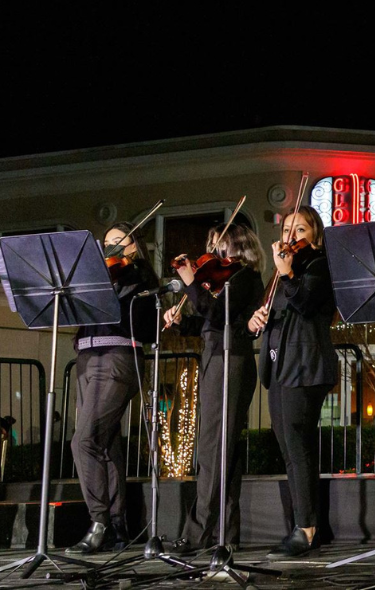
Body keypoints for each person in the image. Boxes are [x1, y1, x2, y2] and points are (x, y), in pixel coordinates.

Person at [164, 223, 264, 553]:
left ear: (237, 244)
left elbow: (218, 313)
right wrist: (182, 322)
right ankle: (225, 533)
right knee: (225, 452)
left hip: (230, 360)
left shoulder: (245, 276)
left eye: (218, 243)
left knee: (212, 449)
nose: (211, 249)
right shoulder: (221, 279)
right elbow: (206, 322)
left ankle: (198, 534)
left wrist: (193, 283)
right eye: (210, 243)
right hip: (214, 357)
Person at [247, 206, 338, 559]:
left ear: (314, 234)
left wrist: (287, 274)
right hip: (280, 365)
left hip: (306, 364)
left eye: (301, 228)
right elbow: (278, 313)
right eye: (288, 228)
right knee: (288, 448)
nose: (292, 234)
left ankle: (307, 528)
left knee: (298, 444)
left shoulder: (318, 265)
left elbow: (305, 302)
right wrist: (258, 321)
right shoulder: (281, 273)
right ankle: (305, 523)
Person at [66, 223, 159, 555]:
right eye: (105, 243)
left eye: (118, 242)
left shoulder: (139, 279)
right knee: (105, 443)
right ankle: (118, 525)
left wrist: (115, 285)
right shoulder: (97, 275)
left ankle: (98, 521)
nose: (110, 248)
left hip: (117, 356)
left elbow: (146, 324)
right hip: (87, 357)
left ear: (133, 247)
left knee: (85, 438)